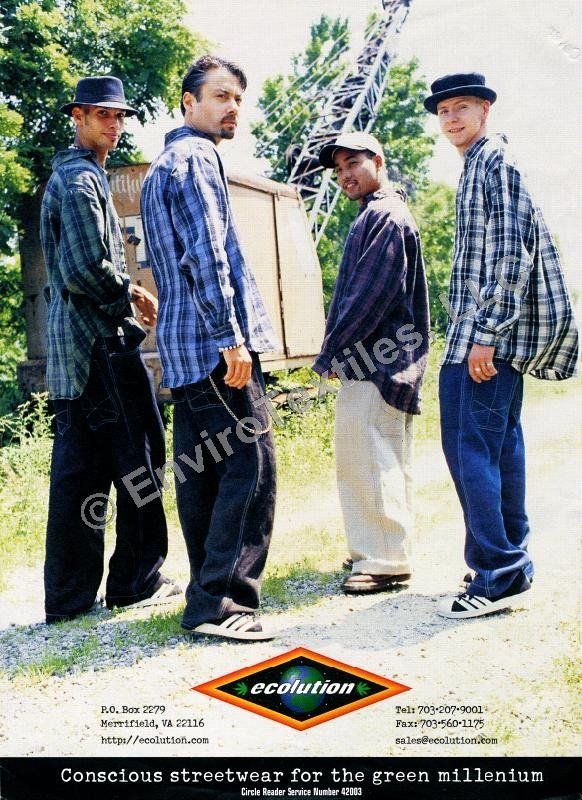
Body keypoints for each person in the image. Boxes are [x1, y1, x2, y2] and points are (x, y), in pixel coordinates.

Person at [424, 73, 579, 618]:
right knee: (497, 449)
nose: (451, 119)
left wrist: (488, 334)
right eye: (443, 112)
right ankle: (510, 563)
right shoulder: (476, 167)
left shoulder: (497, 164)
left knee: (472, 452)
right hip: (473, 334)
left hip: (484, 338)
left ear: (485, 109)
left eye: (461, 108)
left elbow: (513, 256)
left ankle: (496, 574)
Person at [140, 56, 279, 641]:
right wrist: (231, 339)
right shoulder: (197, 159)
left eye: (237, 99)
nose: (231, 108)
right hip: (214, 348)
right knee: (252, 464)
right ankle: (219, 603)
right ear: (187, 102)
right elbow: (207, 255)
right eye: (220, 96)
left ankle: (204, 594)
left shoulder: (159, 168)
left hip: (182, 350)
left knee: (202, 475)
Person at [41, 76, 181, 624]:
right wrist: (131, 290)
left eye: (119, 116)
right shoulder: (79, 182)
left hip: (77, 355)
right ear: (78, 116)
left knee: (81, 470)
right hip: (100, 345)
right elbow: (81, 270)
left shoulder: (80, 176)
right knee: (142, 457)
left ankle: (69, 599)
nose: (114, 125)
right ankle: (136, 582)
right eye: (103, 115)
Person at [313, 132, 430, 595]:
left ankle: (384, 558)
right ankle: (378, 544)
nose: (345, 175)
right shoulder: (379, 214)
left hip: (376, 362)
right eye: (339, 169)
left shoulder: (383, 215)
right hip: (386, 359)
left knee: (367, 457)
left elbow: (371, 295)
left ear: (378, 161)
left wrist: (332, 352)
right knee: (381, 455)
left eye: (353, 163)